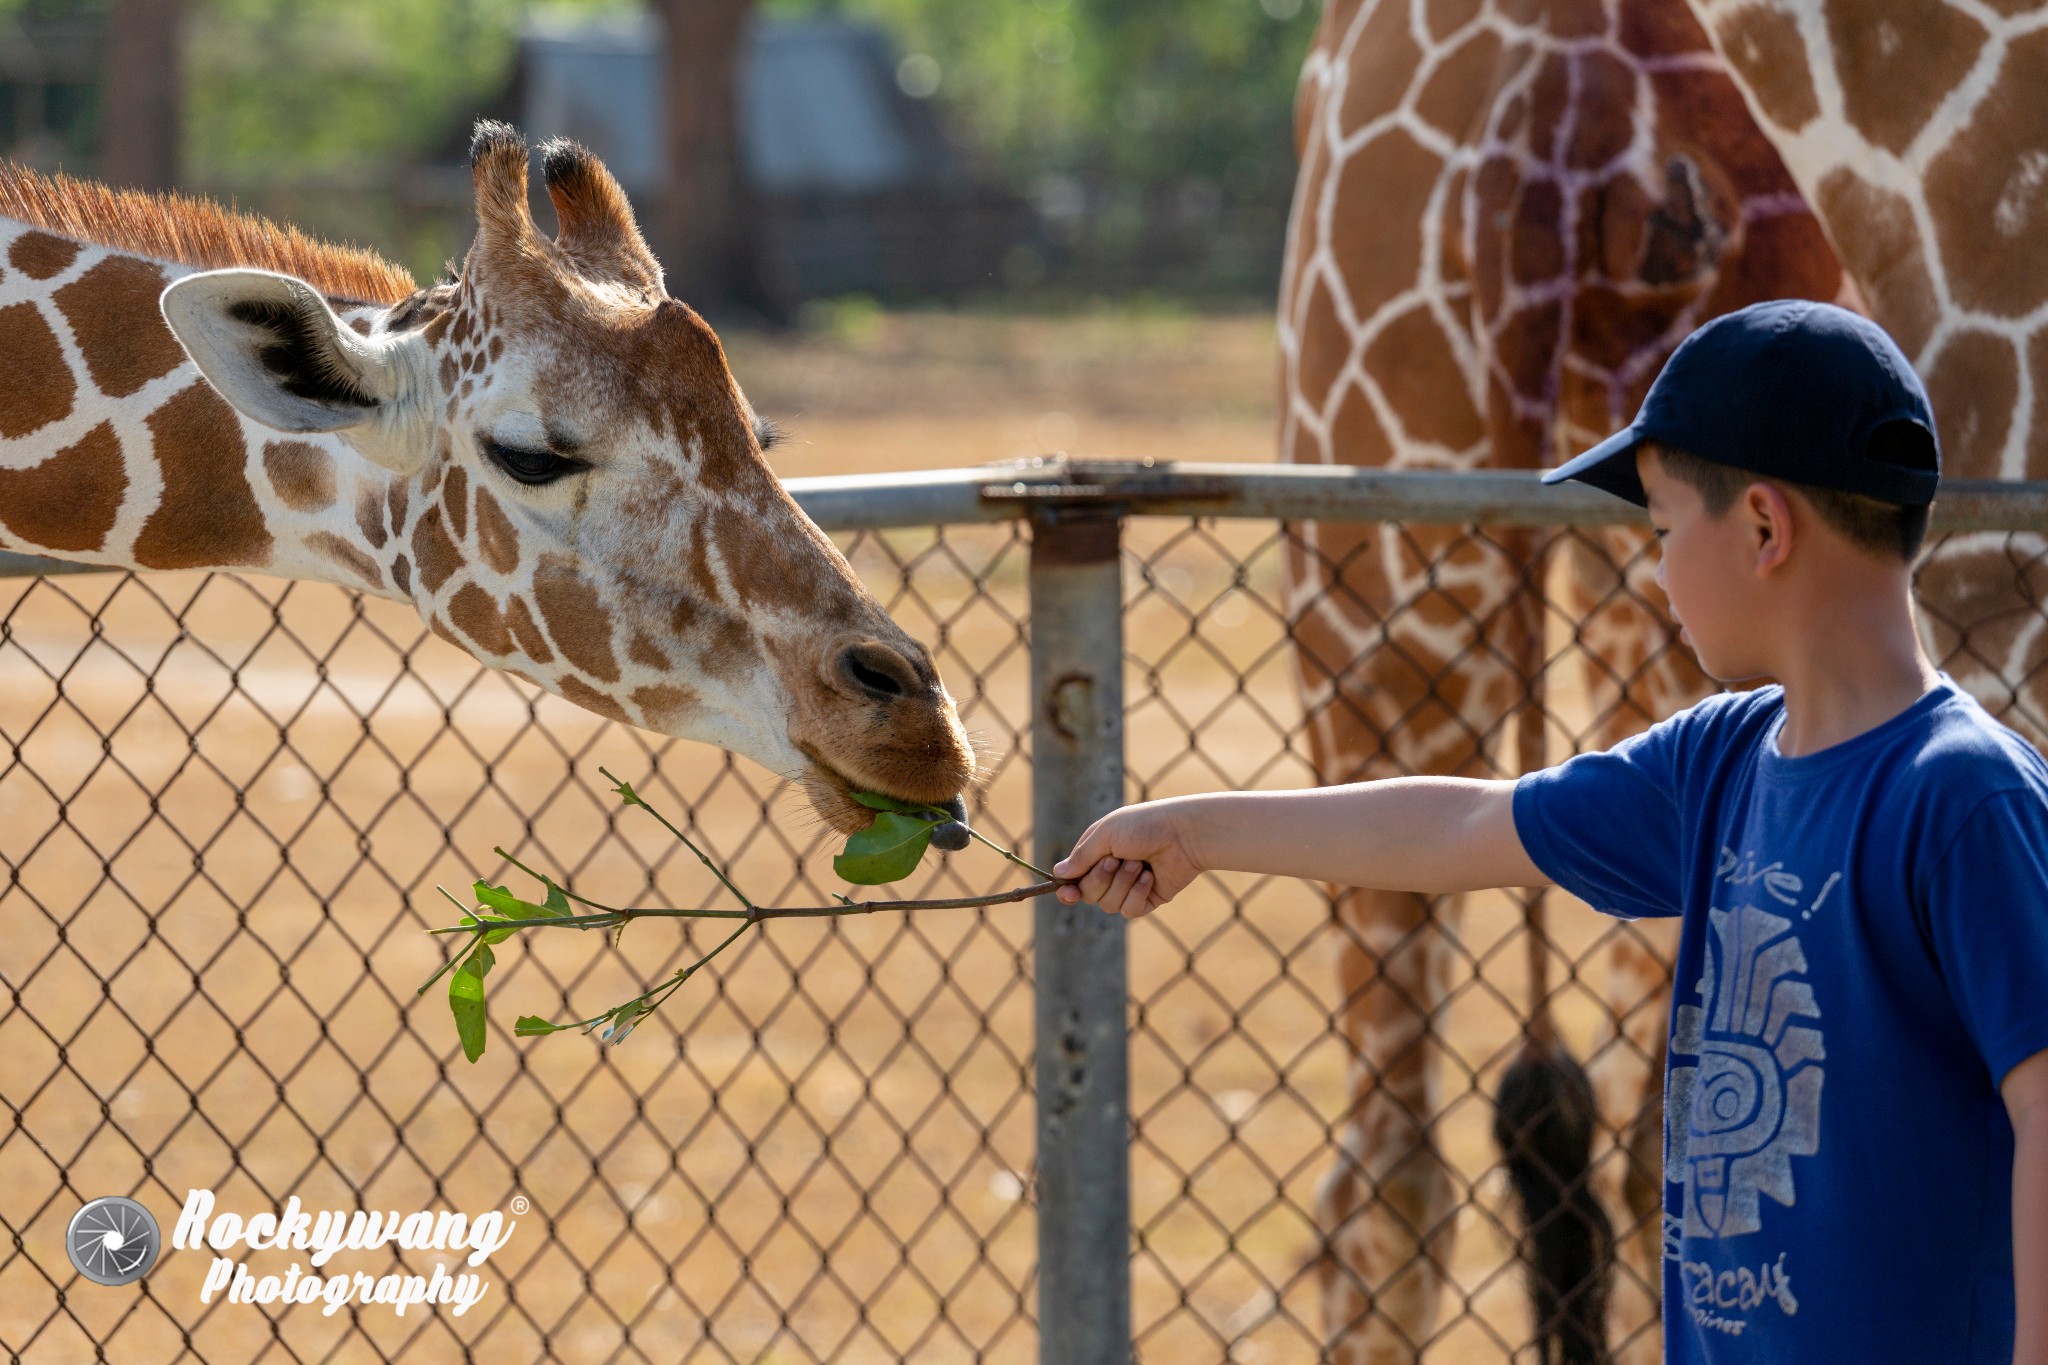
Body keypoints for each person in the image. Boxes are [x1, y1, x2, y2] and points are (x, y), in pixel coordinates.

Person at [1053, 300, 2048, 1362]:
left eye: (1662, 533)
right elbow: (1462, 827)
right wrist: (1194, 833)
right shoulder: (1716, 760)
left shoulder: (1961, 797)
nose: (1653, 573)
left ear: (1762, 527)